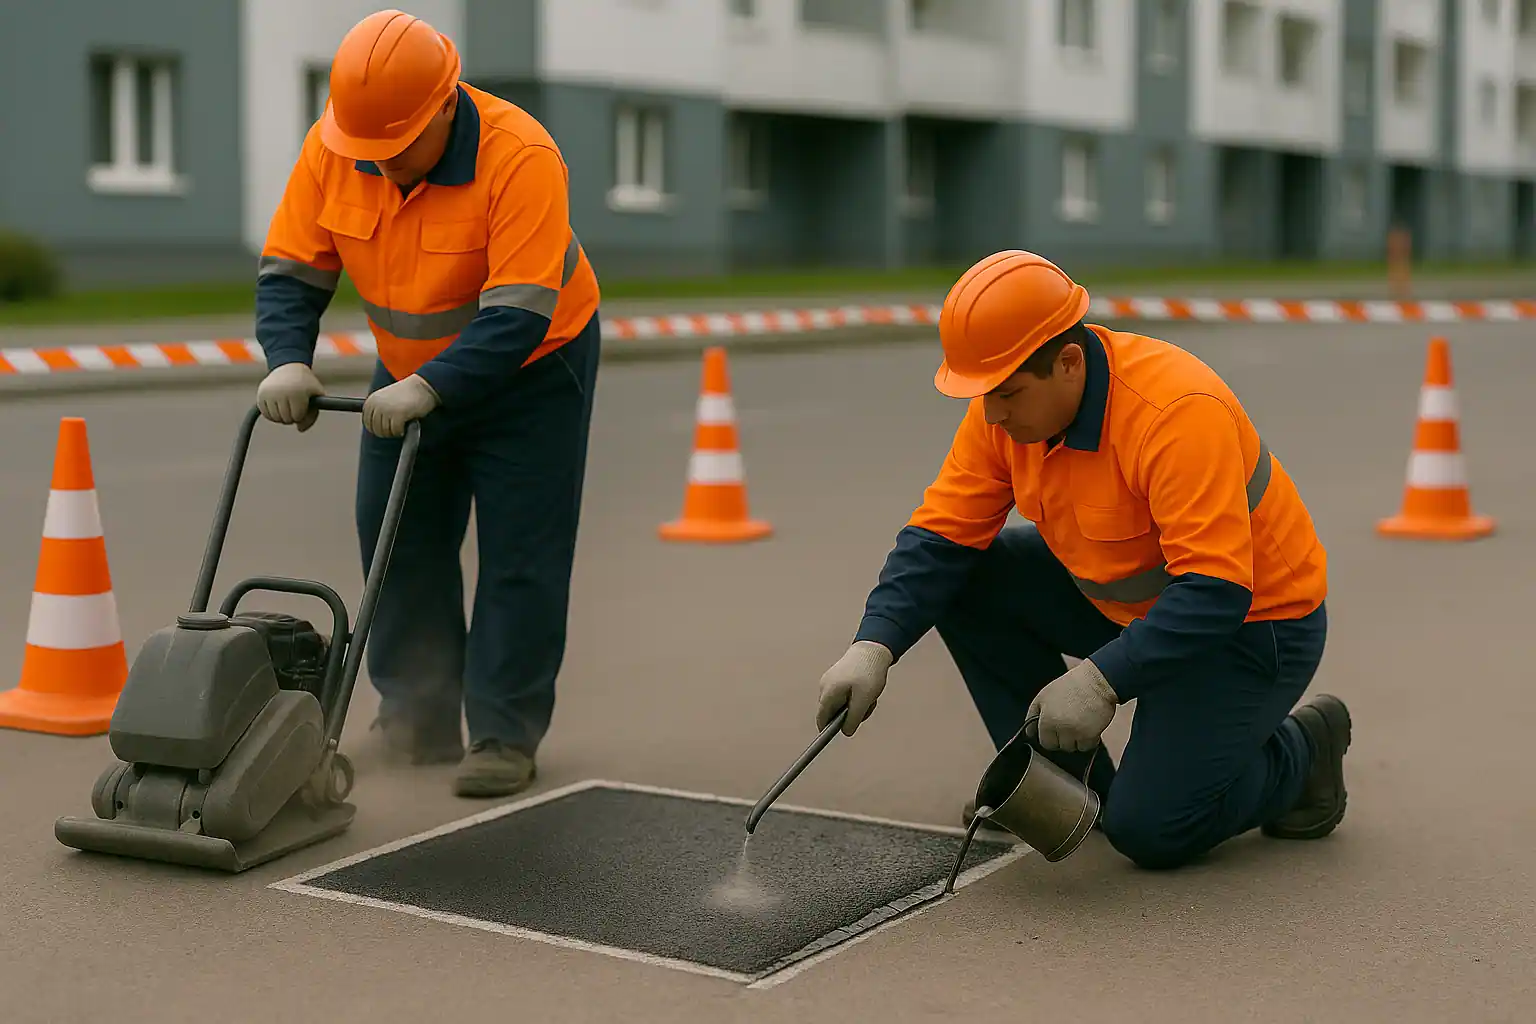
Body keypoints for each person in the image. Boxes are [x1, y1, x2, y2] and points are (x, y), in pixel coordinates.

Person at [814, 250, 1350, 870]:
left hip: (1249, 625)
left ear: (1069, 362)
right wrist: (873, 644)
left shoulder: (1174, 412)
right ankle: (1066, 783)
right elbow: (940, 537)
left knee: (1150, 829)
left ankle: (1304, 751)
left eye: (1007, 394)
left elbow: (1215, 589)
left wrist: (1102, 680)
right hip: (1119, 599)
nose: (990, 413)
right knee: (964, 580)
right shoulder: (1006, 404)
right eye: (983, 393)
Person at [251, 9, 602, 799]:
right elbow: (292, 272)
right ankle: (418, 715)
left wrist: (430, 387)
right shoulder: (339, 146)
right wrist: (287, 363)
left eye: (396, 148)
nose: (380, 165)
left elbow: (516, 314)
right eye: (365, 149)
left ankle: (504, 733)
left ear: (446, 103)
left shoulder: (520, 154)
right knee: (396, 538)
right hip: (406, 372)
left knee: (519, 555)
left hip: (534, 371)